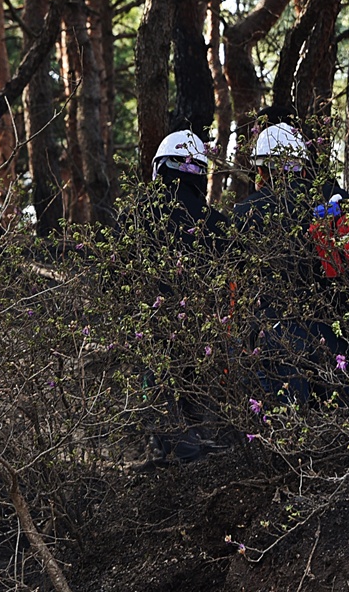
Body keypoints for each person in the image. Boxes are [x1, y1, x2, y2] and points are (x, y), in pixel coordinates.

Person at [231, 120, 349, 402]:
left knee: (289, 422)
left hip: (278, 337)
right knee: (344, 423)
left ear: (261, 169)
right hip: (337, 335)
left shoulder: (245, 212)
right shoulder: (335, 200)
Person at [143, 130, 231, 464]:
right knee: (199, 384)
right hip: (206, 325)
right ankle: (200, 446)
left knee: (160, 385)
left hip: (151, 326)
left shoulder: (138, 216)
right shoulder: (217, 223)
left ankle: (174, 448)